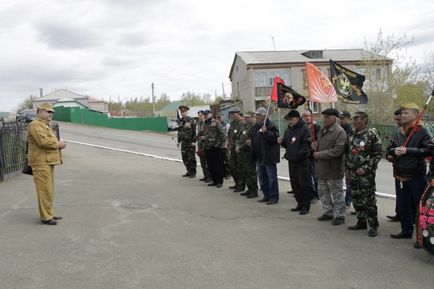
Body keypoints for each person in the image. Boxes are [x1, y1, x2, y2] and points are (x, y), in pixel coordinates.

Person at [387, 103, 433, 239]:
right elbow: (390, 148)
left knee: (418, 207)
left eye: (406, 113)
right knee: (403, 205)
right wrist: (394, 151)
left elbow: (429, 150)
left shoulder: (422, 131)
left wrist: (409, 150)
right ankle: (406, 231)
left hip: (416, 175)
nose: (402, 115)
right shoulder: (398, 131)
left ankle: (420, 236)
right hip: (399, 173)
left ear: (415, 115)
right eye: (402, 113)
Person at [27, 103, 67, 225]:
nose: (51, 114)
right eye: (48, 111)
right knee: (44, 190)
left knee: (49, 189)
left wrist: (58, 143)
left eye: (52, 112)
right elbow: (43, 142)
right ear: (39, 112)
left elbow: (49, 141)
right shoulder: (35, 125)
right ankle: (46, 217)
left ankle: (49, 213)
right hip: (41, 162)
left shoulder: (45, 125)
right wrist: (58, 144)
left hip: (47, 161)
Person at [345, 112, 382, 237]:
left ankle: (373, 225)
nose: (354, 121)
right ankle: (361, 221)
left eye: (357, 119)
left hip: (366, 174)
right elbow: (348, 153)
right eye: (353, 119)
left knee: (368, 200)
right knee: (356, 198)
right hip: (353, 172)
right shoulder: (351, 133)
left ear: (364, 120)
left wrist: (366, 168)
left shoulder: (371, 134)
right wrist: (348, 170)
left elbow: (377, 155)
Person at [312, 108, 347, 225]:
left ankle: (340, 215)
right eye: (324, 116)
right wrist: (315, 146)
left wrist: (320, 154)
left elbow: (338, 150)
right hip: (322, 168)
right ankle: (328, 211)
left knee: (337, 194)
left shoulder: (339, 132)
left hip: (333, 169)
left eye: (327, 116)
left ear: (334, 118)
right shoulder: (322, 130)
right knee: (323, 192)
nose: (325, 119)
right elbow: (320, 145)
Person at [279, 110, 312, 215]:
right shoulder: (289, 130)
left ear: (297, 118)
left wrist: (298, 156)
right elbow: (288, 145)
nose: (290, 121)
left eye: (291, 119)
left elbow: (307, 146)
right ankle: (299, 203)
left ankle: (306, 206)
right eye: (289, 120)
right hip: (292, 161)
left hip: (301, 162)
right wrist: (282, 142)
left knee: (304, 185)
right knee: (295, 184)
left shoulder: (305, 129)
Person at [251, 107, 280, 205]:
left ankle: (273, 197)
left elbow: (275, 139)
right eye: (256, 115)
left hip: (268, 156)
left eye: (258, 115)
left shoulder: (271, 125)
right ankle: (266, 195)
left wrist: (266, 132)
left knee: (271, 179)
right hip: (259, 157)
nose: (257, 117)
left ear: (264, 115)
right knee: (262, 178)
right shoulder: (255, 126)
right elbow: (252, 136)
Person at [201, 110, 226, 188]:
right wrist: (199, 137)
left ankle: (219, 182)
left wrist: (217, 144)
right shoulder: (204, 123)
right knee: (210, 166)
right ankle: (214, 181)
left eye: (206, 114)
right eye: (204, 115)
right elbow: (202, 132)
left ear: (210, 114)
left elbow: (223, 134)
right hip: (207, 147)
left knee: (217, 165)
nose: (205, 116)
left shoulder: (216, 122)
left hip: (215, 147)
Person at [386, 108, 403, 222]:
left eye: (399, 119)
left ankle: (409, 216)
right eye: (395, 119)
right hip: (397, 167)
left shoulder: (415, 130)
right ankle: (399, 213)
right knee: (399, 192)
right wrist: (389, 155)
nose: (397, 122)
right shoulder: (397, 130)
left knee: (409, 195)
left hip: (410, 169)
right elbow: (391, 146)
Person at [236, 112, 258, 198]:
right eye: (245, 117)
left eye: (248, 117)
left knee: (251, 172)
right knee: (245, 171)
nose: (246, 119)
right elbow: (238, 138)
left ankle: (254, 190)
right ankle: (249, 188)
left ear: (252, 118)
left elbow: (249, 141)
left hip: (249, 153)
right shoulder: (243, 127)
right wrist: (237, 145)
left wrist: (240, 147)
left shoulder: (253, 127)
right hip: (242, 153)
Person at [301, 110, 321, 202]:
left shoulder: (316, 127)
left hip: (314, 155)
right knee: (307, 176)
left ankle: (318, 195)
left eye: (309, 115)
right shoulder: (302, 128)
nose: (307, 117)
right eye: (305, 116)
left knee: (316, 176)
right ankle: (311, 194)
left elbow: (320, 140)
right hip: (305, 155)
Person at [227, 108, 245, 192]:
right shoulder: (233, 123)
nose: (232, 115)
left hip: (239, 148)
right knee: (231, 165)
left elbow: (241, 137)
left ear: (238, 113)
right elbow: (229, 134)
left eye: (233, 113)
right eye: (231, 114)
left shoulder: (242, 123)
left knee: (239, 167)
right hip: (233, 147)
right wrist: (228, 142)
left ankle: (241, 185)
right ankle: (237, 182)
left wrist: (237, 145)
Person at [177, 105, 197, 178]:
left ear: (187, 112)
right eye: (181, 112)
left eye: (184, 111)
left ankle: (193, 172)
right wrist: (178, 141)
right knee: (184, 157)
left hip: (190, 142)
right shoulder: (180, 121)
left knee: (191, 158)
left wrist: (194, 141)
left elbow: (195, 132)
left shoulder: (192, 120)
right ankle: (189, 170)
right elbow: (179, 132)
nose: (182, 113)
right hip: (184, 142)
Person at [339, 111, 353, 208]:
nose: (341, 120)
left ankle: (348, 200)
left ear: (349, 119)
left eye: (343, 118)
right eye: (340, 118)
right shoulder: (339, 129)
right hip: (339, 157)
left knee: (349, 181)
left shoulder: (351, 130)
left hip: (348, 158)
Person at [196, 110, 211, 182]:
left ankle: (209, 177)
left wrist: (203, 137)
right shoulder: (199, 123)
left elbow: (209, 135)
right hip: (200, 145)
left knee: (207, 162)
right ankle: (205, 176)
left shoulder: (207, 123)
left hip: (206, 145)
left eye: (201, 115)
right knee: (202, 162)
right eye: (199, 116)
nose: (200, 117)